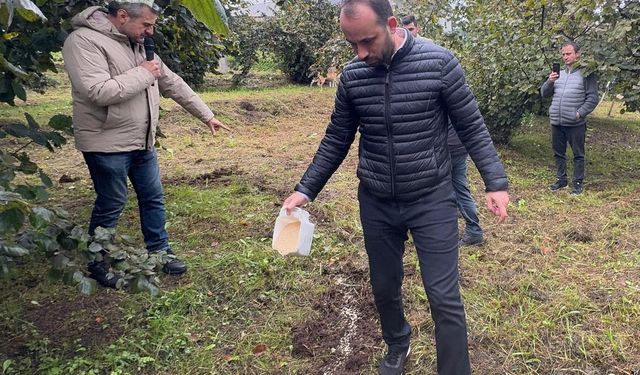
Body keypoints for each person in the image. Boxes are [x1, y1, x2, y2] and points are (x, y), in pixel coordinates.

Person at [281, 1, 509, 374]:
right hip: (377, 200)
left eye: (368, 41)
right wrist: (305, 189)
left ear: (391, 24)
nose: (361, 53)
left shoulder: (439, 63)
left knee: (443, 296)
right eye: (352, 44)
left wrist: (495, 182)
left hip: (431, 197)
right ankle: (397, 344)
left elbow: (471, 124)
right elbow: (337, 138)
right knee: (384, 286)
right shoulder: (354, 76)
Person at [62, 0, 229, 288]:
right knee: (111, 203)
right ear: (123, 16)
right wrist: (144, 73)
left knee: (153, 197)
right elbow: (97, 91)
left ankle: (160, 253)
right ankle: (97, 261)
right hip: (106, 142)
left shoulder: (136, 43)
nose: (150, 32)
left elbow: (171, 82)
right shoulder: (82, 41)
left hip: (142, 140)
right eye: (147, 25)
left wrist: (206, 115)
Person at [403, 14, 485, 246]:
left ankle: (473, 230)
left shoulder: (432, 69)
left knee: (453, 187)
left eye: (411, 29)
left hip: (450, 143)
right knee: (458, 185)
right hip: (455, 141)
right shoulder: (442, 70)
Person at [541, 41, 598, 195]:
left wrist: (579, 113)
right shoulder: (559, 74)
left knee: (578, 154)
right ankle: (561, 180)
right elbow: (544, 94)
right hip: (557, 121)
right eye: (563, 54)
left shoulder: (587, 73)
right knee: (558, 153)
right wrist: (550, 81)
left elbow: (592, 98)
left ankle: (577, 183)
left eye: (568, 54)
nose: (565, 57)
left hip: (575, 123)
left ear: (577, 54)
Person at [448, 126, 485, 246]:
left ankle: (474, 230)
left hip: (446, 147)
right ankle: (473, 229)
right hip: (461, 145)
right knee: (460, 187)